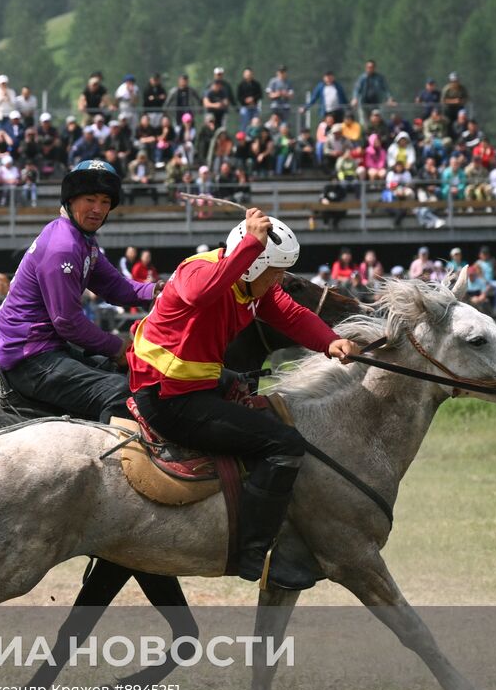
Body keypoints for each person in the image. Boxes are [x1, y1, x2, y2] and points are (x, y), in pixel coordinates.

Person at [127, 209, 358, 589]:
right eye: (276, 272)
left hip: (194, 386)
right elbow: (200, 295)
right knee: (283, 444)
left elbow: (291, 314)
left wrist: (329, 340)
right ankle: (252, 550)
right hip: (168, 399)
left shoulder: (253, 289)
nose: (280, 280)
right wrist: (251, 246)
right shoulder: (198, 272)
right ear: (252, 266)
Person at [0, 160, 157, 422]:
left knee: (136, 375)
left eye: (105, 202)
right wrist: (119, 348)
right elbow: (67, 322)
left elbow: (116, 286)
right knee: (121, 392)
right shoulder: (64, 246)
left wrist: (158, 291)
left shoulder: (82, 240)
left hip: (49, 348)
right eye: (90, 199)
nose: (98, 209)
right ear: (71, 201)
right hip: (30, 359)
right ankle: (110, 463)